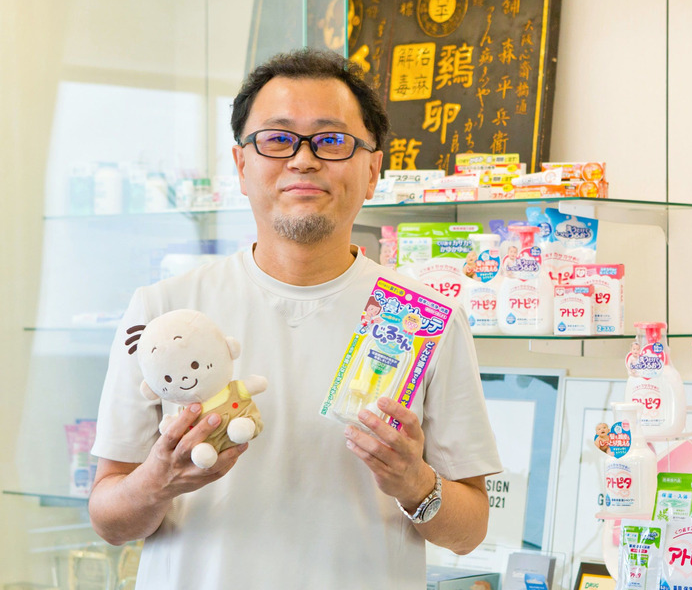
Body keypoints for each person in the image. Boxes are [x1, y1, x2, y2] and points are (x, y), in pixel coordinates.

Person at [88, 48, 502, 589]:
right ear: (242, 166)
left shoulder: (427, 319)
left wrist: (415, 482)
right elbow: (109, 519)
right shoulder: (164, 311)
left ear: (373, 170)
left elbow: (469, 531)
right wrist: (158, 480)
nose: (303, 160)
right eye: (277, 139)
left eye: (332, 141)